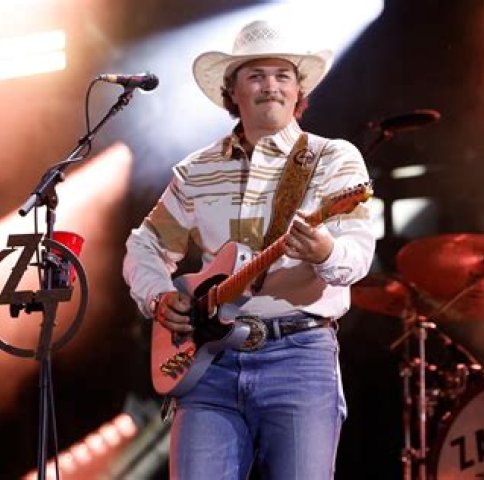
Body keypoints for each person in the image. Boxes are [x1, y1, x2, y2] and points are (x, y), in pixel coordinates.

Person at [123, 19, 375, 479]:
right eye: (256, 75)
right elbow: (146, 244)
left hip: (299, 357)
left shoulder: (333, 159)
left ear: (298, 90)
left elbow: (358, 253)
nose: (270, 86)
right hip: (209, 366)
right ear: (232, 91)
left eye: (282, 75)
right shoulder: (196, 170)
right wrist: (159, 296)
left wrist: (324, 251)